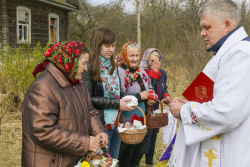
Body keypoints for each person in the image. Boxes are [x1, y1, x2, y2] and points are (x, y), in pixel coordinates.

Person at [168, 0, 250, 166]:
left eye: (207, 27)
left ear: (227, 25)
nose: (202, 33)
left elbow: (226, 112)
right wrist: (192, 103)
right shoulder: (227, 53)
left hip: (229, 153)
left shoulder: (241, 54)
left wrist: (185, 111)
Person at [22, 41, 108, 167]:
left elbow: (89, 110)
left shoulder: (77, 81)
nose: (86, 68)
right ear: (69, 63)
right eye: (83, 63)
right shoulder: (42, 88)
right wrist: (85, 143)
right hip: (49, 162)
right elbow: (42, 130)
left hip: (72, 158)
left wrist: (98, 131)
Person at [82, 28, 135, 159]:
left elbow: (115, 92)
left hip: (116, 123)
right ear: (97, 44)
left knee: (113, 160)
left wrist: (127, 99)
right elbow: (89, 99)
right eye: (107, 46)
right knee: (101, 161)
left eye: (113, 45)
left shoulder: (114, 65)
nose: (111, 50)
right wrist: (118, 103)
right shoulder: (88, 67)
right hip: (100, 126)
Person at [115, 41, 155, 167]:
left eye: (137, 55)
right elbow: (117, 97)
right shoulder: (118, 72)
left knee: (136, 155)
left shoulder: (141, 71)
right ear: (125, 55)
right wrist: (139, 96)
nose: (135, 59)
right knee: (124, 156)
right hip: (125, 123)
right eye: (132, 56)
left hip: (140, 122)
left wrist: (151, 96)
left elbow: (149, 87)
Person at [137, 48, 172, 167]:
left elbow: (163, 87)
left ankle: (149, 163)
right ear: (147, 60)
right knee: (145, 139)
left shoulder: (162, 73)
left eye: (157, 60)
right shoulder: (142, 72)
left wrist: (166, 96)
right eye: (152, 60)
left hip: (156, 111)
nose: (154, 63)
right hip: (145, 110)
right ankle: (136, 162)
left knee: (153, 137)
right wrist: (153, 72)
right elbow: (148, 87)